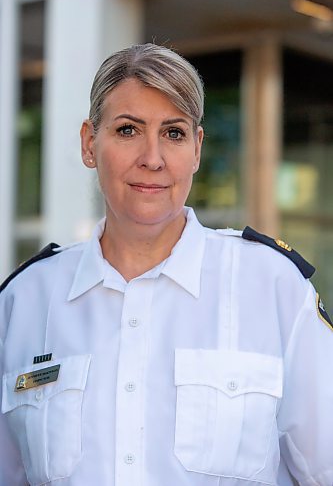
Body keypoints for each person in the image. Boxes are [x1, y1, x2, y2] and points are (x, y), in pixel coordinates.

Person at [0, 43, 333, 486]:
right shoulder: (24, 301)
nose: (152, 158)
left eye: (173, 133)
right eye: (127, 130)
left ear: (196, 149)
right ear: (89, 143)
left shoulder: (273, 288)